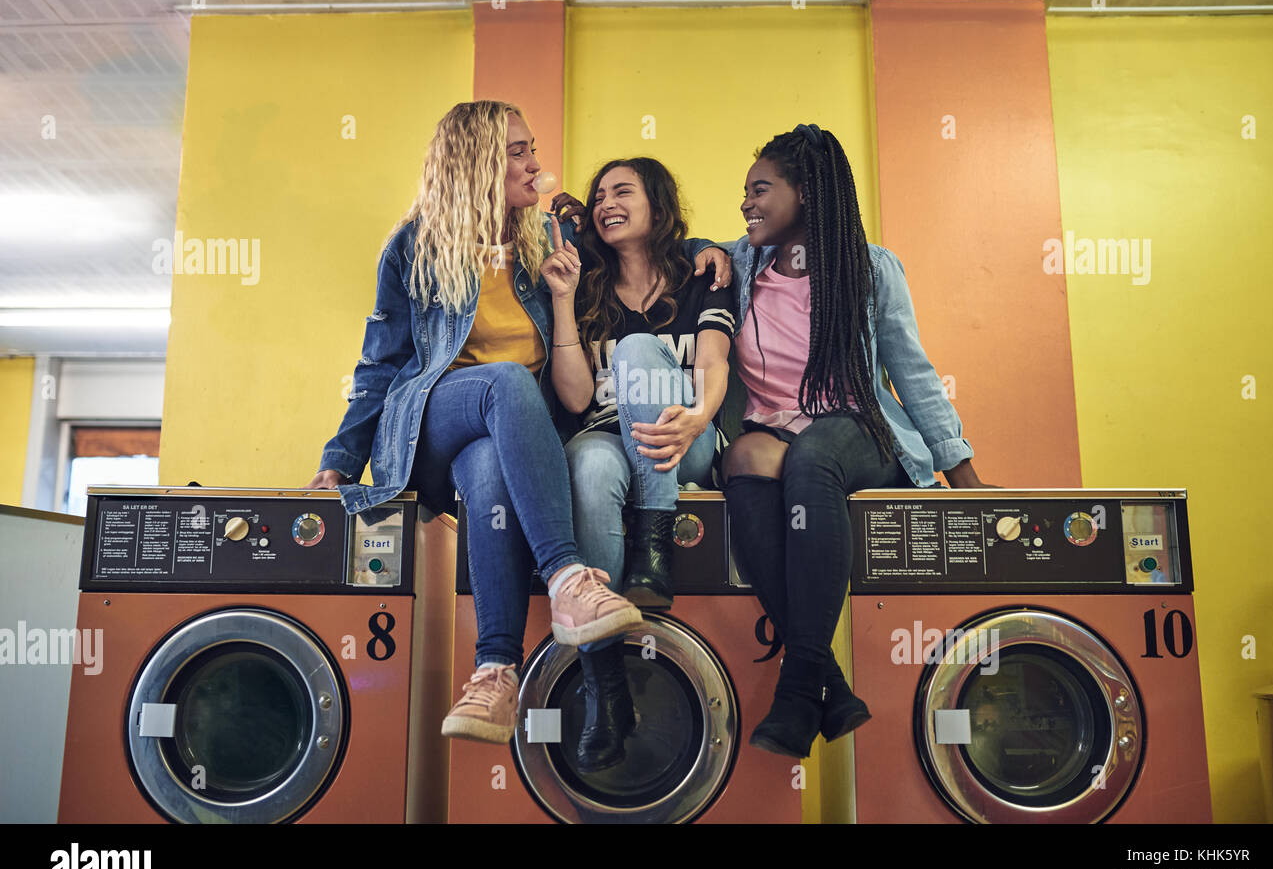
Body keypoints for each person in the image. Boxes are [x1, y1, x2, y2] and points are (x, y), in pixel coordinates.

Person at [303, 101, 728, 745]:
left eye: (533, 148)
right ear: (477, 161)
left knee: (491, 467)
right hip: (433, 421)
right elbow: (380, 363)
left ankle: (494, 675)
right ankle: (566, 577)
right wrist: (339, 461)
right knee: (502, 383)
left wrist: (711, 251)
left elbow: (639, 239)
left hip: (511, 439)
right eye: (519, 151)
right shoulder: (416, 246)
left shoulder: (543, 239)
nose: (536, 163)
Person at [717, 124, 993, 759]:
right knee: (742, 457)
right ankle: (829, 685)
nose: (746, 203)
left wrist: (965, 477)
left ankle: (795, 692)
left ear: (807, 193)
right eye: (745, 192)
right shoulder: (738, 264)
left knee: (812, 459)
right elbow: (668, 246)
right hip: (774, 429)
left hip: (860, 429)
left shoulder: (869, 269)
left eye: (760, 189)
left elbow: (912, 374)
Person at [550, 158, 735, 771]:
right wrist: (561, 301)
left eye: (622, 191)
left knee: (634, 348)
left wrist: (701, 414)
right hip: (607, 437)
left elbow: (712, 360)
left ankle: (653, 545)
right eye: (599, 194)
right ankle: (606, 689)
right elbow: (577, 400)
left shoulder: (700, 274)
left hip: (687, 438)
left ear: (658, 203)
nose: (606, 202)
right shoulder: (587, 285)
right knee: (588, 467)